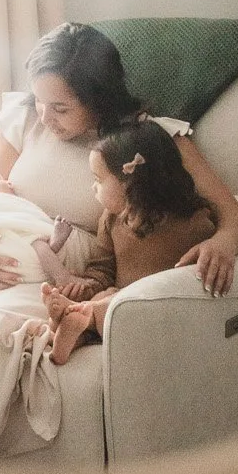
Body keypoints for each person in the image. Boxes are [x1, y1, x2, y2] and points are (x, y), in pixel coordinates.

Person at [0, 22, 238, 460]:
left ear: (98, 100)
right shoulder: (24, 118)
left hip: (67, 276)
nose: (45, 116)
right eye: (40, 102)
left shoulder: (145, 141)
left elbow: (233, 217)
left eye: (60, 108)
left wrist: (224, 243)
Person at [41, 122, 219, 364]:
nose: (93, 187)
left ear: (129, 183)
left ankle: (76, 317)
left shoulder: (193, 222)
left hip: (157, 308)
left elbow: (196, 279)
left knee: (115, 304)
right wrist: (87, 284)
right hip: (116, 304)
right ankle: (71, 328)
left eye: (98, 180)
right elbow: (103, 267)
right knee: (105, 297)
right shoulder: (111, 219)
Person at [0, 165, 106, 298]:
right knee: (35, 241)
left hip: (21, 274)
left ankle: (51, 249)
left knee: (32, 243)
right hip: (10, 266)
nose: (8, 182)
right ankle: (62, 275)